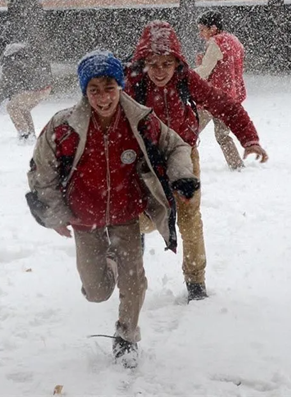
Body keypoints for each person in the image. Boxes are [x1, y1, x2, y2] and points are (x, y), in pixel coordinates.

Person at [26, 50, 199, 368]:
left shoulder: (141, 120)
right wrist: (55, 216)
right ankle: (109, 264)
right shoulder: (64, 127)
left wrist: (183, 177)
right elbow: (42, 170)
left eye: (109, 88)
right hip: (84, 215)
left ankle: (126, 337)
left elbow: (176, 145)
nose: (103, 98)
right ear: (84, 92)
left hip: (125, 211)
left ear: (120, 86)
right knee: (96, 291)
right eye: (94, 90)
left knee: (134, 279)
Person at [126, 20, 268, 301]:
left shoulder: (185, 78)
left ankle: (196, 283)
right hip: (147, 161)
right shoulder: (133, 84)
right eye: (153, 63)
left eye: (167, 63)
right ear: (143, 61)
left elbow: (224, 104)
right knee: (144, 218)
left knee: (190, 219)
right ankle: (135, 239)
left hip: (184, 155)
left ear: (176, 61)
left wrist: (249, 138)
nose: (160, 71)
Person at [193, 11, 251, 170]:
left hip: (212, 97)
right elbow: (230, 66)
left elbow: (205, 70)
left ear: (213, 28)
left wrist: (186, 74)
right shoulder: (235, 41)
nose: (200, 34)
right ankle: (236, 165)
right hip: (228, 98)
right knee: (223, 135)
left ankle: (184, 164)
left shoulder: (215, 43)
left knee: (189, 132)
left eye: (202, 29)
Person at [0, 38, 53, 142]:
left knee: (12, 107)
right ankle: (31, 135)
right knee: (22, 107)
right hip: (46, 87)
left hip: (35, 88)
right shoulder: (22, 51)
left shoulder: (10, 57)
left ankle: (25, 135)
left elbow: (8, 83)